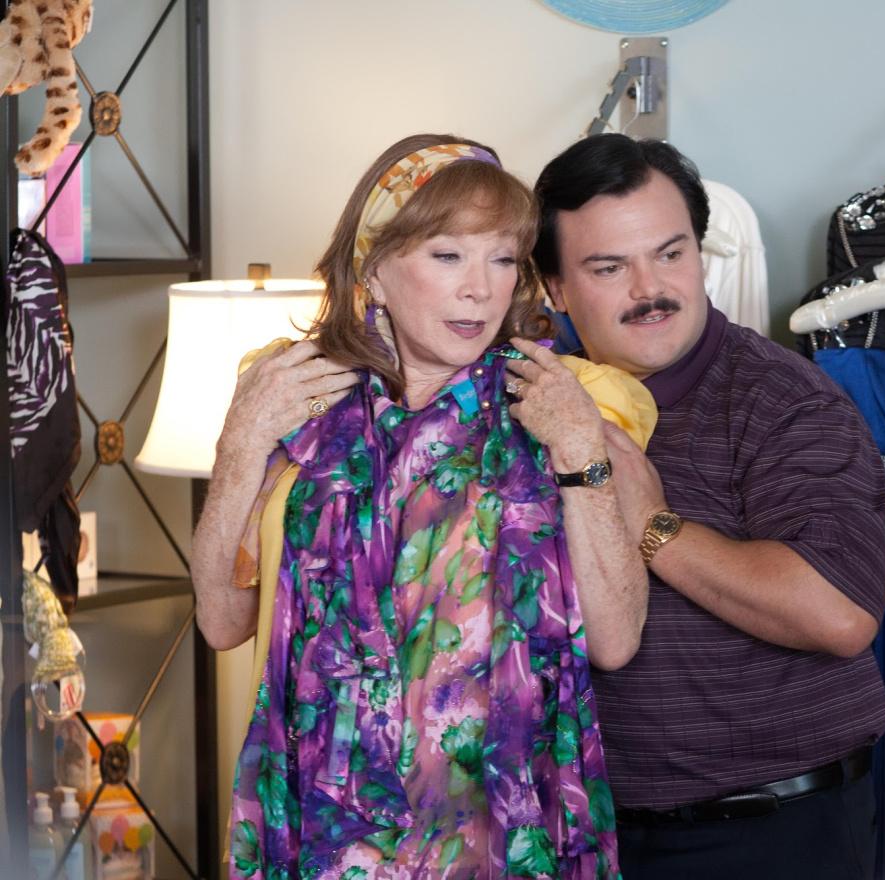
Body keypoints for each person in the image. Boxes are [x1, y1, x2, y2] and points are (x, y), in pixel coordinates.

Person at [191, 134, 650, 879]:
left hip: (502, 827)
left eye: (503, 259)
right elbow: (221, 619)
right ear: (373, 264)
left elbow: (617, 638)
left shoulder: (569, 399)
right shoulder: (293, 397)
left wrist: (578, 452)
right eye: (448, 256)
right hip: (329, 827)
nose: (481, 289)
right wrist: (241, 445)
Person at [533, 134, 885, 879]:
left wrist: (651, 527)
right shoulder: (535, 402)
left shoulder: (783, 402)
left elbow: (839, 613)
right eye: (609, 267)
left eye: (671, 254)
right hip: (583, 833)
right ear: (555, 288)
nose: (650, 288)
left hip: (766, 836)